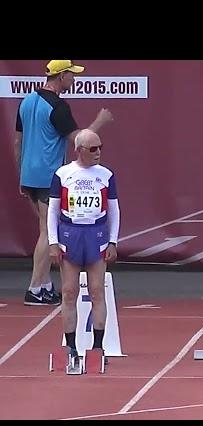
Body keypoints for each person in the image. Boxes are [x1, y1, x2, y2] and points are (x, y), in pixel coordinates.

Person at [15, 59, 113, 306]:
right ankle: (35, 288)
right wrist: (100, 121)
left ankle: (45, 284)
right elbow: (80, 142)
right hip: (49, 175)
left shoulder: (26, 101)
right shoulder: (58, 107)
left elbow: (18, 142)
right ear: (61, 77)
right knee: (48, 233)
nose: (74, 79)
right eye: (72, 75)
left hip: (29, 174)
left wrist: (21, 174)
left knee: (46, 229)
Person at [48, 129, 120, 363]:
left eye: (100, 147)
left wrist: (112, 241)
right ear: (78, 150)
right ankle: (70, 348)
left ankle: (98, 349)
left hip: (96, 234)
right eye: (92, 149)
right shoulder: (63, 174)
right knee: (69, 292)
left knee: (97, 290)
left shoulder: (106, 175)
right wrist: (52, 242)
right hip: (70, 234)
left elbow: (114, 210)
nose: (98, 152)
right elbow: (53, 210)